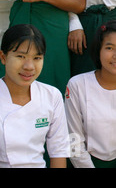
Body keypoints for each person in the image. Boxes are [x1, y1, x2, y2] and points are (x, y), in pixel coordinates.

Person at [65, 20, 116, 168]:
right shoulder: (77, 85)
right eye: (109, 48)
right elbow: (73, 140)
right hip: (82, 163)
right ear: (98, 50)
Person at [0, 24, 70, 168]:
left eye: (37, 58)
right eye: (20, 56)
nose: (29, 66)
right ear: (3, 57)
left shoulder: (52, 96)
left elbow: (59, 151)